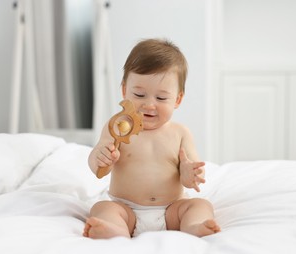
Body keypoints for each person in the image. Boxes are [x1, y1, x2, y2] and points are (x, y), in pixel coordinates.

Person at [83, 38, 221, 239]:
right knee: (102, 208)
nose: (149, 104)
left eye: (161, 98)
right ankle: (115, 230)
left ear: (178, 99)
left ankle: (195, 226)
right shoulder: (117, 128)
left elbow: (191, 175)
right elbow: (97, 168)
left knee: (201, 205)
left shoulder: (180, 133)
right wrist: (100, 157)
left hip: (171, 210)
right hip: (126, 209)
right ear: (124, 91)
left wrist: (189, 174)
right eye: (139, 95)